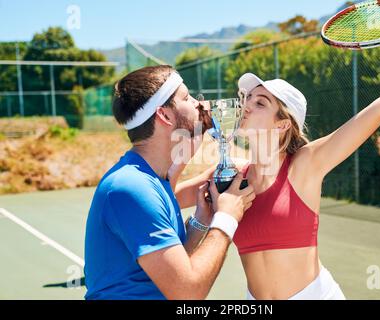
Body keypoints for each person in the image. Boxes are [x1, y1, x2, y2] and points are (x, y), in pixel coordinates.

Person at [230, 17, 380, 300]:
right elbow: (169, 190)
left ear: (283, 124)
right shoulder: (233, 175)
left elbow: (379, 110)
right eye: (247, 97)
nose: (246, 105)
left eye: (260, 102)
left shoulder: (305, 164)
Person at [84, 65, 255, 300]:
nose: (199, 104)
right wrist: (226, 219)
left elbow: (170, 268)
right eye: (186, 97)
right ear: (164, 115)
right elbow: (187, 291)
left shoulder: (153, 178)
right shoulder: (132, 188)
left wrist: (201, 221)